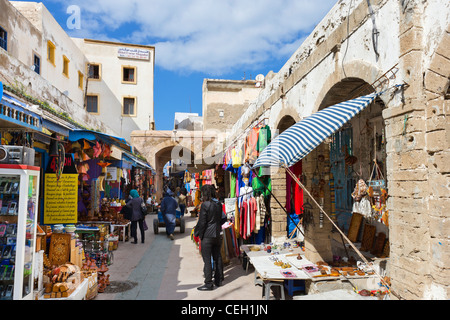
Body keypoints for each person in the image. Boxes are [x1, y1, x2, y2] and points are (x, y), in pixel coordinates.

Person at [194, 185, 227, 290]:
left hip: (207, 236)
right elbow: (224, 218)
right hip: (217, 234)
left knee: (207, 259)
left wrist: (198, 233)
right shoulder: (218, 204)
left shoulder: (205, 205)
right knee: (217, 257)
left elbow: (202, 222)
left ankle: (208, 283)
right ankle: (219, 280)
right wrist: (217, 225)